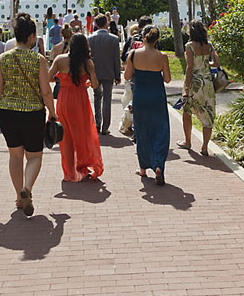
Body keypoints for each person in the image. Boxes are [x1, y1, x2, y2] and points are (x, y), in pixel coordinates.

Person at [0, 13, 57, 216]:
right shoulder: (38, 60)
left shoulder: (4, 58)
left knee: (15, 155)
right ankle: (27, 188)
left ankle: (19, 198)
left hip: (8, 113)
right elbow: (46, 91)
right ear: (30, 36)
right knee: (34, 156)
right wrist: (52, 113)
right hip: (33, 113)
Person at [48, 34, 104, 181]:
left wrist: (62, 79)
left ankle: (69, 172)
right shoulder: (87, 63)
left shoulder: (60, 60)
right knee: (82, 134)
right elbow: (96, 85)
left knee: (65, 137)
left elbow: (48, 77)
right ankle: (82, 166)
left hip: (64, 99)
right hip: (80, 101)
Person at [124, 25, 171, 185]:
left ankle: (143, 168)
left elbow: (127, 75)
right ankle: (158, 164)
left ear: (143, 37)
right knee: (160, 130)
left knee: (142, 131)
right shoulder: (162, 56)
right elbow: (167, 79)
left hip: (140, 96)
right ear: (157, 39)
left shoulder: (133, 54)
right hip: (157, 96)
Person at [176, 20, 220, 156]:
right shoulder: (209, 46)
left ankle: (187, 141)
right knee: (208, 114)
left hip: (195, 84)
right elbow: (217, 63)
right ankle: (205, 147)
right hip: (207, 84)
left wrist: (187, 88)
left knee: (187, 111)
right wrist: (206, 64)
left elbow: (189, 68)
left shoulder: (189, 46)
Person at [88, 14, 121, 136]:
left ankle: (97, 123)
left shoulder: (90, 38)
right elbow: (116, 59)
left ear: (96, 24)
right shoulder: (113, 39)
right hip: (109, 72)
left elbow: (88, 58)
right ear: (106, 23)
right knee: (107, 99)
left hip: (94, 73)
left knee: (97, 98)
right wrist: (117, 75)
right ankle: (105, 127)